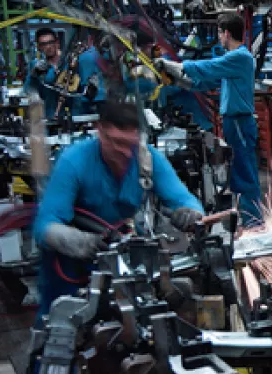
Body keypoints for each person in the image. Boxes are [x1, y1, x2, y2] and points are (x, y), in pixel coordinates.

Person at [33, 99, 203, 317]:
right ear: (99, 131)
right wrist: (84, 243)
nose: (124, 152)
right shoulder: (74, 161)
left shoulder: (147, 160)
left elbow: (184, 200)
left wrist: (190, 214)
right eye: (116, 142)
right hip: (70, 266)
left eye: (129, 144)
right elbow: (45, 226)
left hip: (122, 256)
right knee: (61, 327)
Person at [158, 13, 261, 224]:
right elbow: (205, 83)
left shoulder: (240, 57)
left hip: (240, 122)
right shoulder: (234, 62)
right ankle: (249, 219)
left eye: (219, 34)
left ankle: (255, 223)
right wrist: (176, 81)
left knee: (244, 173)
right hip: (234, 123)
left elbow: (208, 68)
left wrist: (171, 66)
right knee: (237, 174)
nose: (219, 38)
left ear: (226, 33)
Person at [25, 26, 63, 113]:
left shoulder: (68, 63)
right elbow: (28, 89)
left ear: (57, 42)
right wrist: (33, 75)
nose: (48, 47)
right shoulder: (36, 66)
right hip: (50, 113)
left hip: (74, 114)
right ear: (39, 47)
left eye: (51, 42)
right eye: (44, 44)